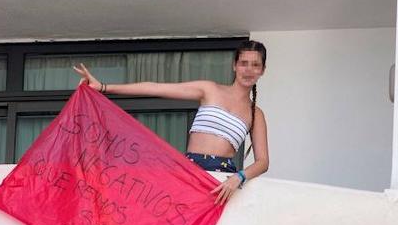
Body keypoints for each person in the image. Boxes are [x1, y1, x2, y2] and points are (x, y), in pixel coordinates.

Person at [72, 40, 269, 205]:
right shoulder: (209, 89)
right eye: (244, 63)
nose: (249, 70)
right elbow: (155, 88)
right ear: (234, 66)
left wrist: (239, 178)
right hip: (190, 169)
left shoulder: (255, 113)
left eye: (255, 65)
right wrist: (105, 87)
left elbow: (263, 162)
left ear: (263, 70)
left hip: (223, 179)